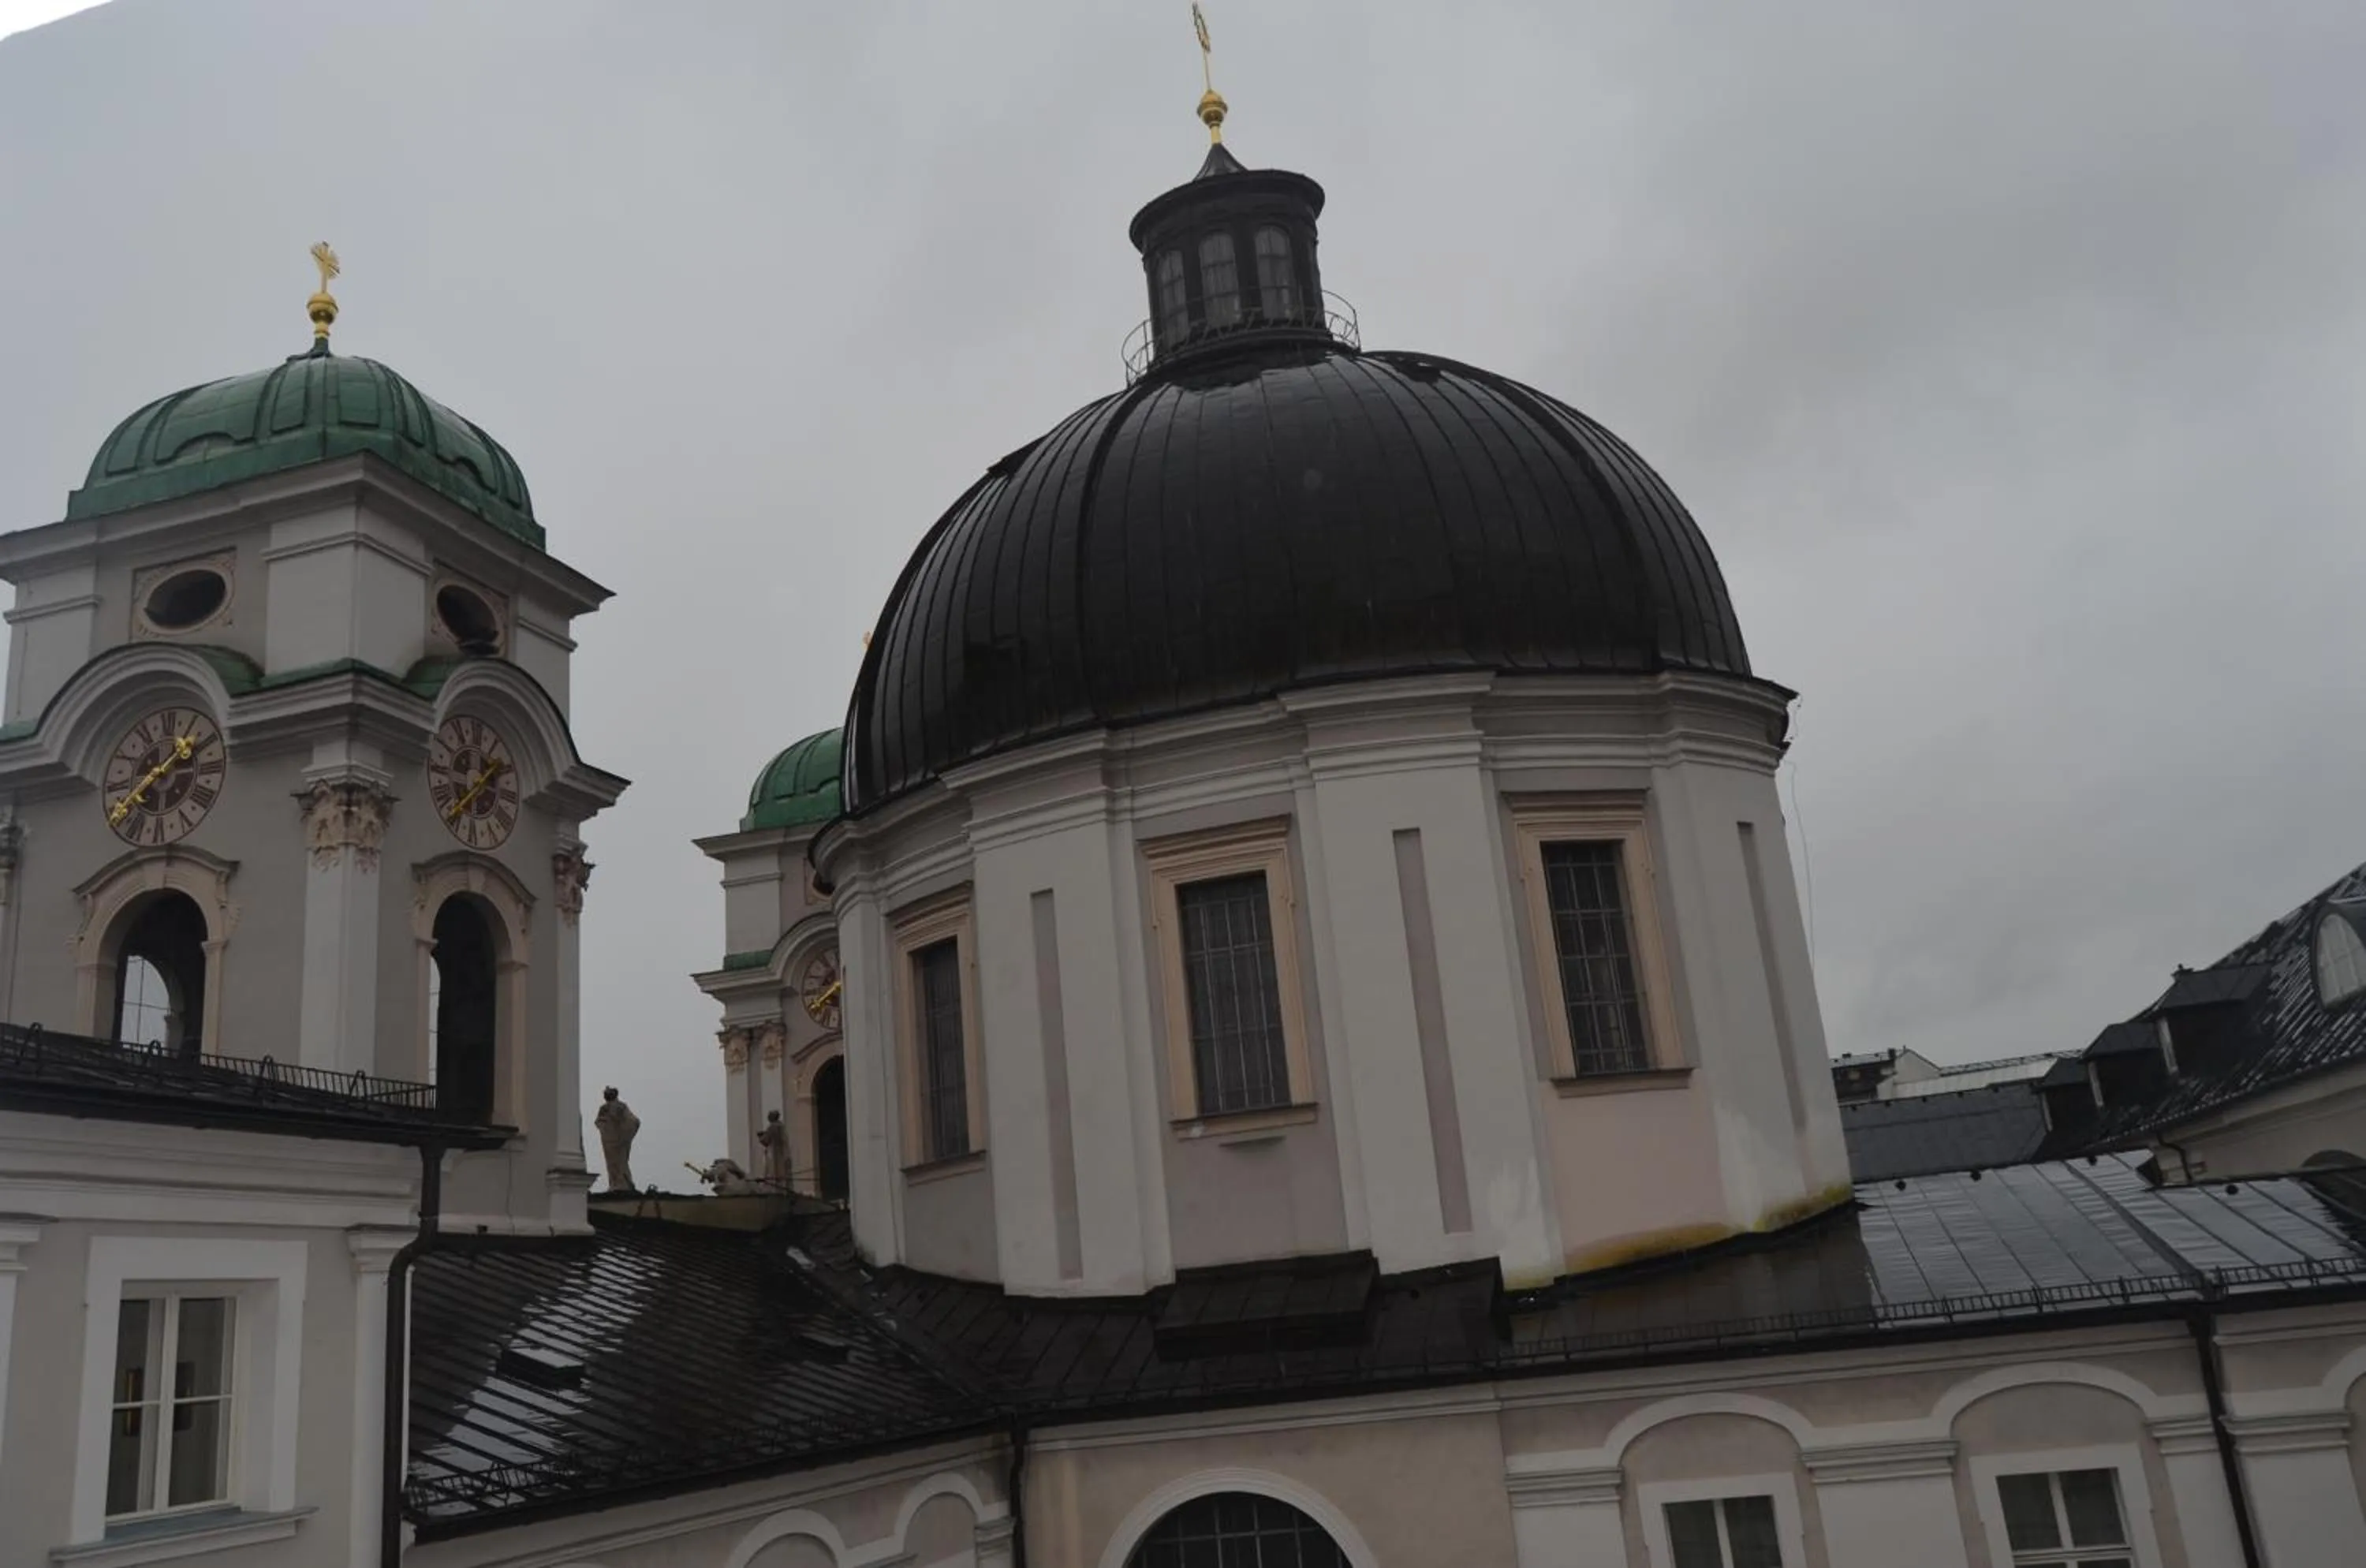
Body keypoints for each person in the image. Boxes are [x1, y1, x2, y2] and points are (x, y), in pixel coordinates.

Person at [594, 1085, 639, 1192]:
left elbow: (634, 1122)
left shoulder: (621, 1107)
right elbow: (599, 1122)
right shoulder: (604, 1108)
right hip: (609, 1141)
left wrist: (624, 1134)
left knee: (620, 1162)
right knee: (612, 1163)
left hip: (619, 1140)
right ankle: (615, 1183)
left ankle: (623, 1183)